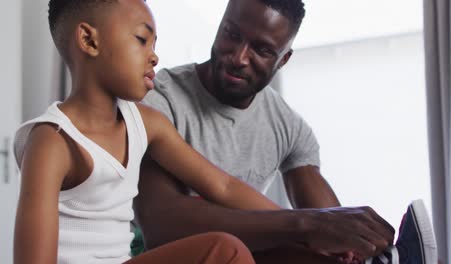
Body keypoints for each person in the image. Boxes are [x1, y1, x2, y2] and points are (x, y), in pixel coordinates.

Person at [136, 0, 438, 263]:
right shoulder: (157, 101)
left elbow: (329, 223)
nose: (239, 57)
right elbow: (160, 224)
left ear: (283, 59)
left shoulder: (287, 126)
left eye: (262, 49)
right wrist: (306, 226)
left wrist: (354, 241)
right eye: (231, 34)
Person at [10, 0, 303, 263]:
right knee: (226, 250)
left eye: (154, 44)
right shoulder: (52, 141)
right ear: (89, 40)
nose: (154, 57)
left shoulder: (146, 123)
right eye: (141, 40)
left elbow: (222, 186)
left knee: (269, 251)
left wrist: (306, 228)